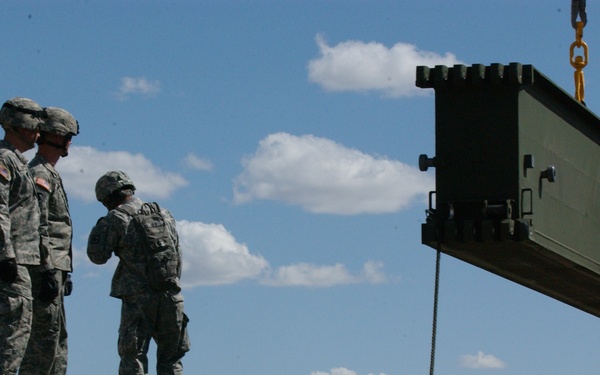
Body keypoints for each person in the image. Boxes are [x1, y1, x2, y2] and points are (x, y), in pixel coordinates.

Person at [87, 170, 190, 375]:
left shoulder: (116, 218)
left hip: (138, 300)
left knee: (133, 358)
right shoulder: (164, 213)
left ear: (109, 197)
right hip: (171, 295)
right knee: (171, 359)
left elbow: (97, 256)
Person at [20, 107, 79, 374]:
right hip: (44, 267)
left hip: (55, 268)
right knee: (42, 345)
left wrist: (62, 272)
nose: (69, 143)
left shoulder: (49, 173)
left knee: (56, 343)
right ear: (56, 136)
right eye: (67, 136)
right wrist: (45, 268)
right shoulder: (40, 174)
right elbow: (38, 223)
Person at [0, 97, 53, 375]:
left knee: (17, 340)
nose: (38, 129)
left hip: (24, 263)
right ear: (18, 123)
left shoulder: (19, 162)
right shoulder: (4, 158)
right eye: (33, 121)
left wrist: (44, 267)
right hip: (12, 263)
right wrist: (5, 254)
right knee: (9, 344)